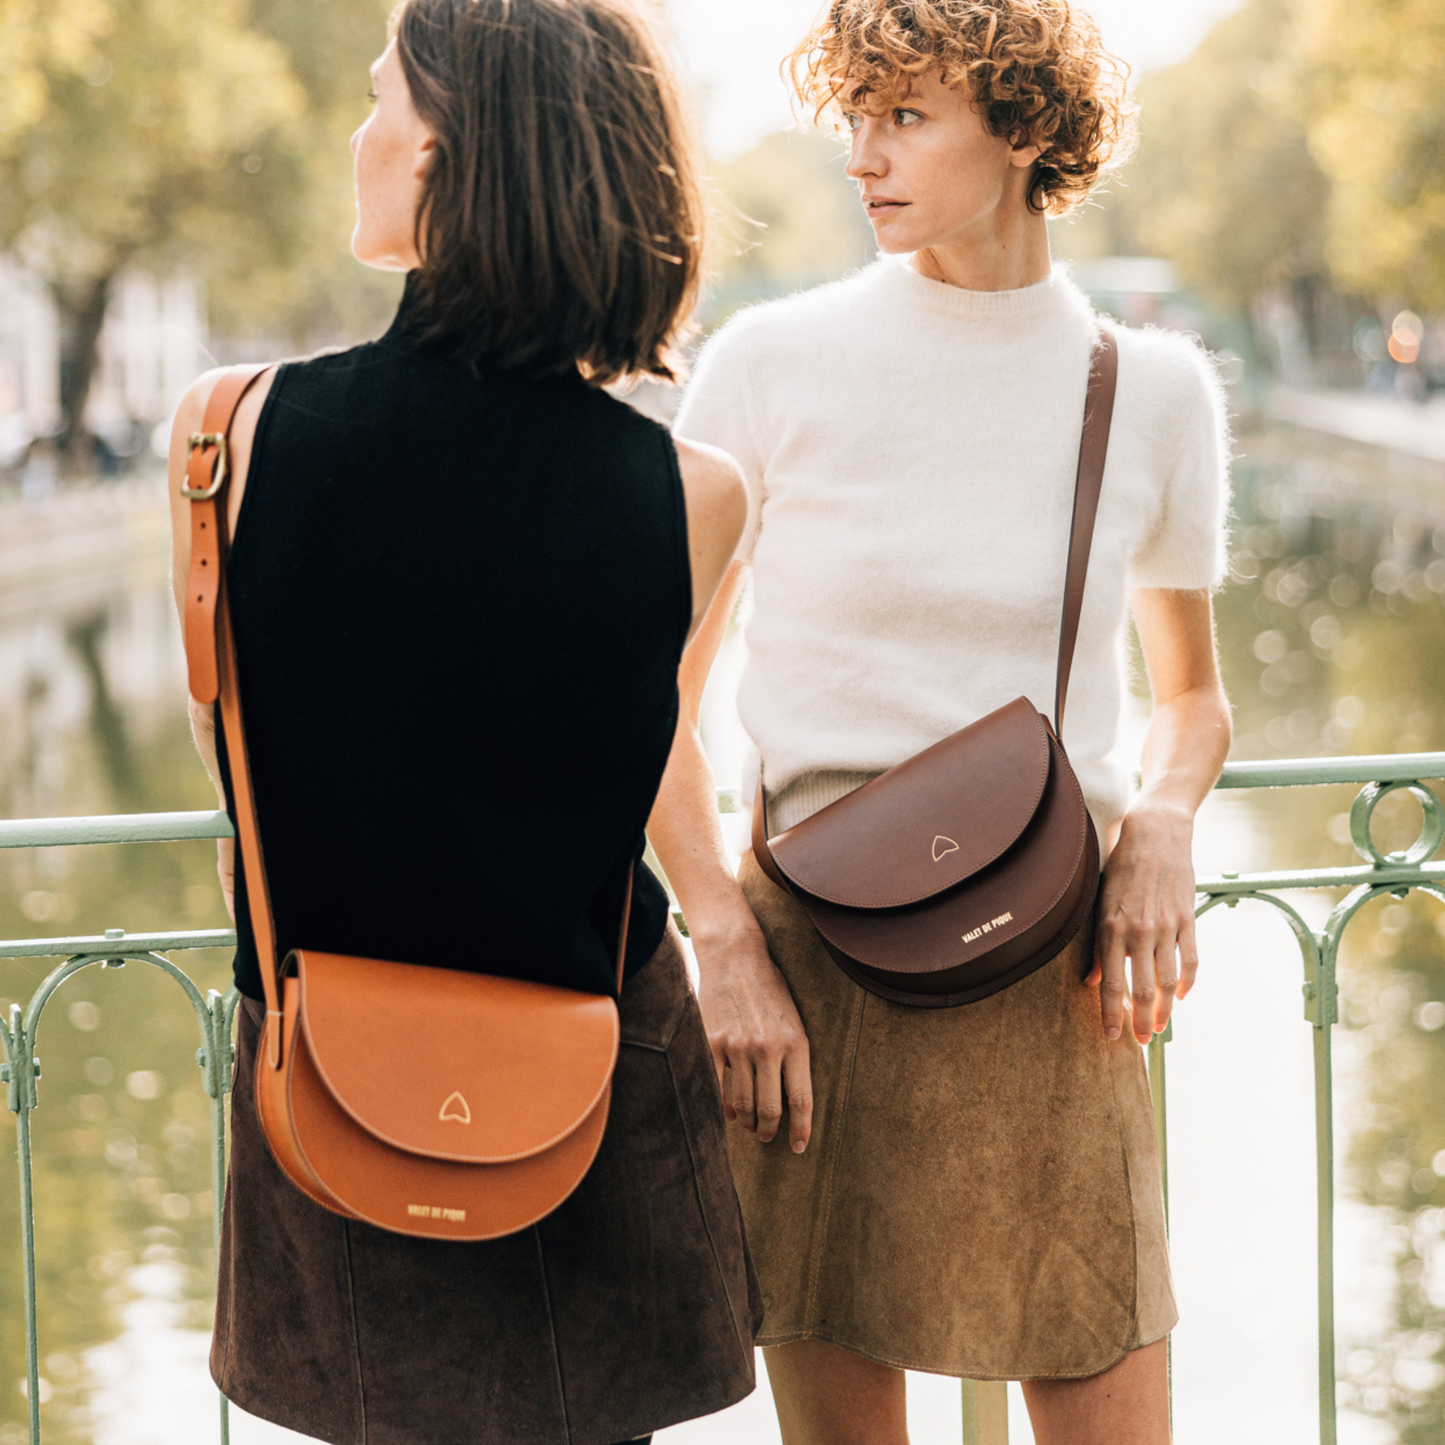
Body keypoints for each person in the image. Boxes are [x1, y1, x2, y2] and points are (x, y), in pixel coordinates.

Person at [166, 2, 758, 1442]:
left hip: (332, 1092)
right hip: (590, 1095)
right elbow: (632, 780)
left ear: (445, 148)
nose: (359, 133)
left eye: (380, 100)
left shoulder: (222, 438)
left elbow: (235, 763)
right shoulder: (696, 496)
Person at [655, 2, 1233, 1442]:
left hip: (1058, 979)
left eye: (904, 117)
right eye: (854, 118)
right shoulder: (767, 370)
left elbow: (1194, 700)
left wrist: (1161, 822)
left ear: (1027, 128)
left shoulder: (1151, 393)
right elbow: (645, 693)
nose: (862, 157)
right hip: (809, 985)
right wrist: (720, 941)